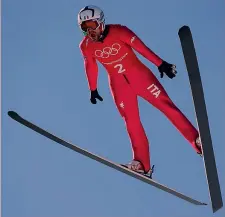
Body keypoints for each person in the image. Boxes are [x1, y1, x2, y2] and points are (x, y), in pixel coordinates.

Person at [78, 5, 202, 177]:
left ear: (100, 22)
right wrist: (93, 89)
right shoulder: (86, 46)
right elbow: (90, 66)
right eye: (84, 28)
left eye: (91, 25)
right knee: (132, 122)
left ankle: (196, 141)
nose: (89, 31)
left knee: (167, 107)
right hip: (119, 86)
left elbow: (141, 48)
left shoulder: (120, 31)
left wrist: (160, 63)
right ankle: (142, 163)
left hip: (140, 77)